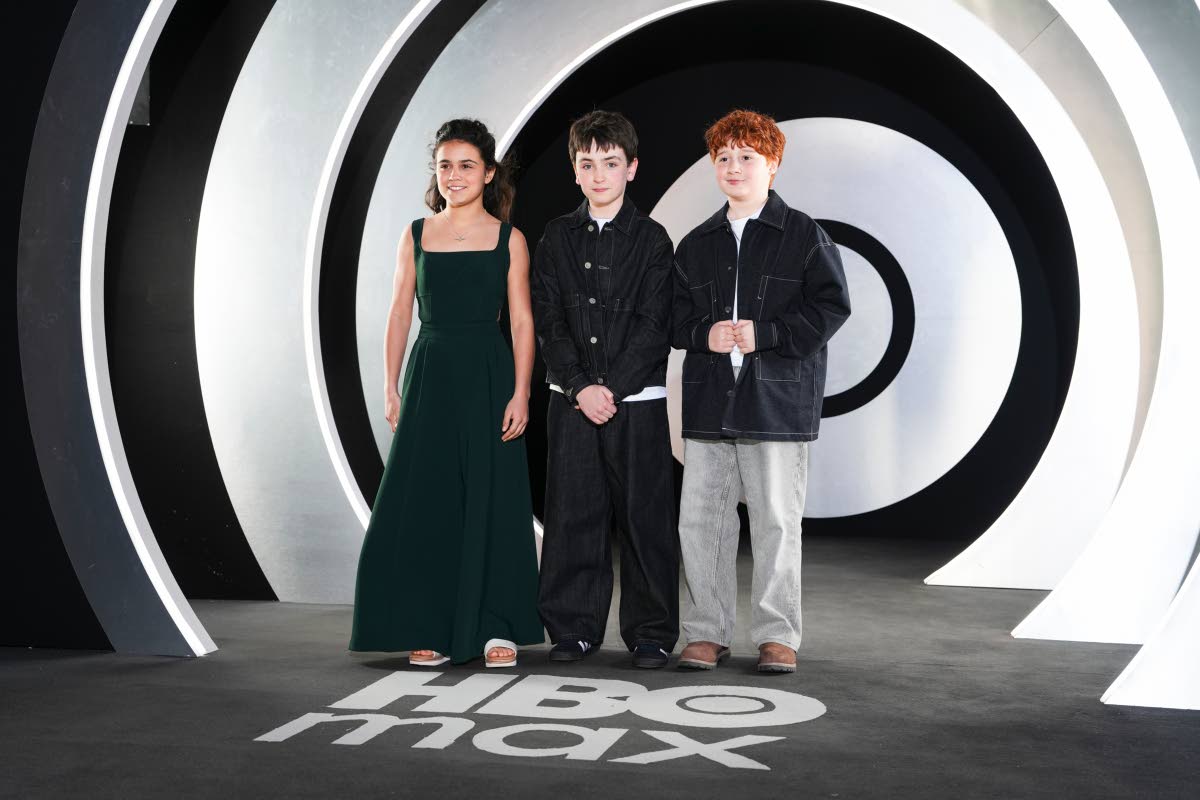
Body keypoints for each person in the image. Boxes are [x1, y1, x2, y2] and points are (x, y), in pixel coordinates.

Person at [349, 118, 543, 668]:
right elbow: (398, 314)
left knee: (493, 497)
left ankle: (497, 625)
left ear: (489, 172)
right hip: (430, 374)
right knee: (428, 499)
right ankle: (428, 622)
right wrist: (390, 386)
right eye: (445, 166)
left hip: (488, 374)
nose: (454, 176)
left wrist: (522, 392)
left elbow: (522, 322)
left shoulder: (510, 239)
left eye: (466, 165)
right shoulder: (415, 234)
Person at [671, 109, 851, 674]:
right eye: (723, 157)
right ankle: (705, 632)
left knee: (775, 520)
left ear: (772, 164)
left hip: (775, 403)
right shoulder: (696, 243)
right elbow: (672, 318)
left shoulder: (803, 235)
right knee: (701, 522)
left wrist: (767, 334)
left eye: (747, 156)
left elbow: (832, 306)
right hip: (709, 401)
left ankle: (777, 635)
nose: (734, 167)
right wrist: (702, 334)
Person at [531, 110, 679, 669]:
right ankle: (573, 627)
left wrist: (609, 389)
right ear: (574, 170)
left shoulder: (653, 240)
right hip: (571, 402)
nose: (599, 175)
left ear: (631, 168)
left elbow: (654, 326)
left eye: (610, 164)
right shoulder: (556, 237)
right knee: (573, 514)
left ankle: (650, 632)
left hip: (636, 403)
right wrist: (580, 387)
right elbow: (549, 321)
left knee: (645, 519)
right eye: (588, 164)